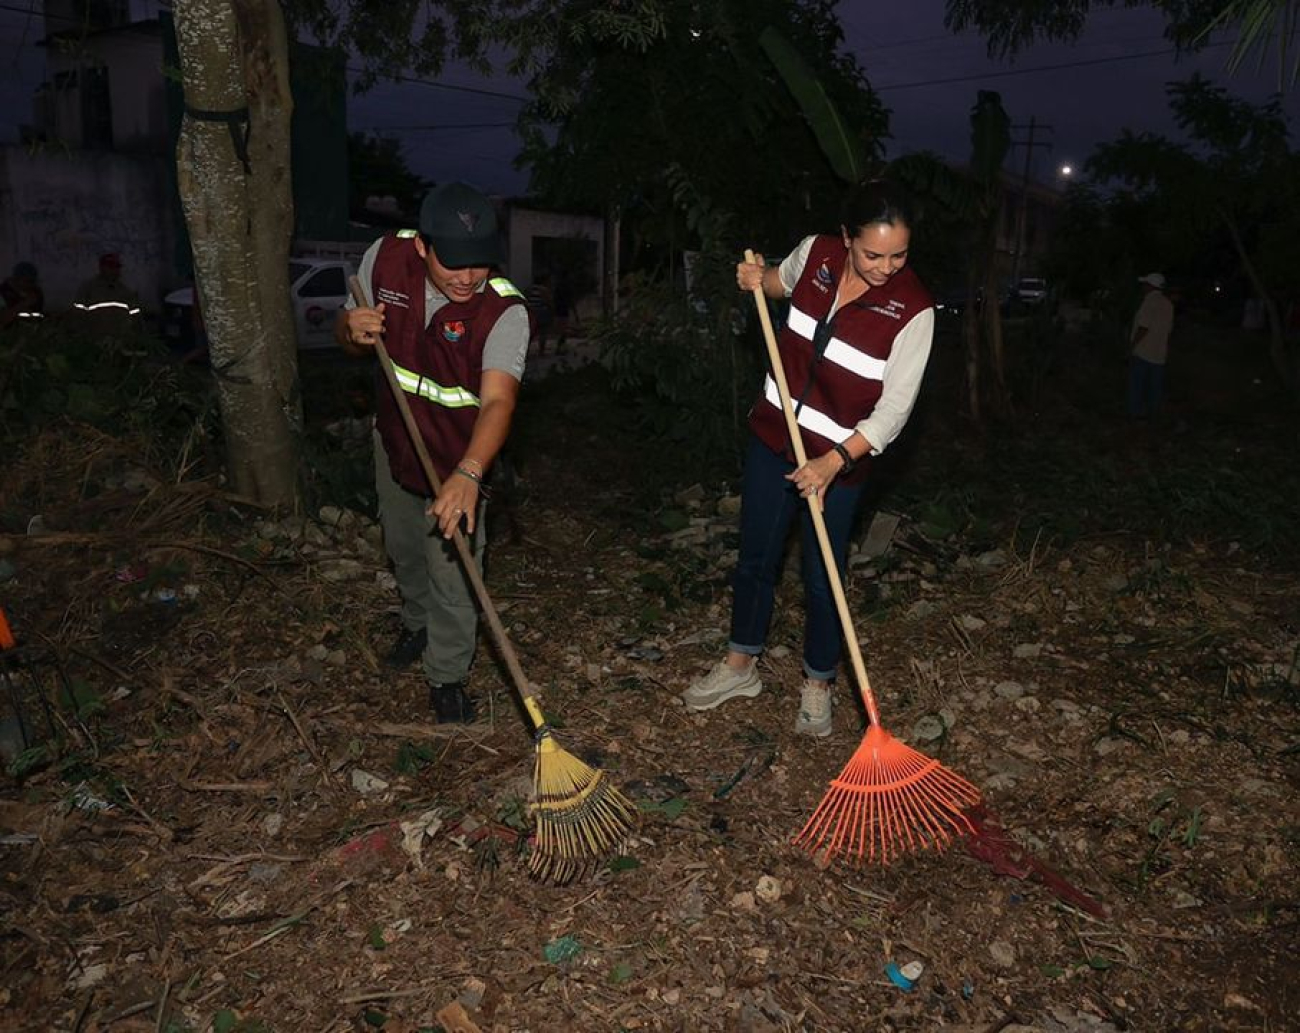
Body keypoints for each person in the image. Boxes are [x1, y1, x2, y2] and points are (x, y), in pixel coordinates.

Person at [682, 180, 935, 737]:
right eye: (873, 253)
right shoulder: (815, 255)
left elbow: (894, 412)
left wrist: (834, 462)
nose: (886, 267)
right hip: (774, 438)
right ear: (846, 238)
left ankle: (818, 684)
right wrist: (756, 280)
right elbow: (776, 283)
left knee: (824, 578)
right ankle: (740, 663)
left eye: (899, 255)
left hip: (838, 464)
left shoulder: (913, 309)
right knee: (756, 556)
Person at [336, 181, 529, 723]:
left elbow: (497, 403)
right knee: (403, 547)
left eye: (480, 264)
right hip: (394, 438)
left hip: (459, 456)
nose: (468, 278)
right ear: (423, 246)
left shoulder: (503, 312)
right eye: (454, 264)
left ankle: (446, 675)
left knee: (455, 570)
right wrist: (349, 330)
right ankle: (416, 626)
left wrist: (469, 472)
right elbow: (346, 337)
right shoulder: (385, 260)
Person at [1128, 272, 1174, 420]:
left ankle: (1135, 413)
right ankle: (1153, 414)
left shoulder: (1149, 302)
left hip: (1143, 351)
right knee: (1154, 387)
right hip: (1159, 353)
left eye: (1145, 284)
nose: (1143, 287)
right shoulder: (1168, 304)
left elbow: (1144, 327)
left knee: (1137, 385)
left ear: (1150, 286)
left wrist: (1132, 345)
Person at [74, 253, 142, 336]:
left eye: (116, 267)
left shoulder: (126, 292)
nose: (113, 270)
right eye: (110, 266)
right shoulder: (88, 289)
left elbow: (136, 318)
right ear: (101, 268)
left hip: (121, 341)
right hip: (95, 340)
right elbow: (78, 316)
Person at [0, 261, 45, 330]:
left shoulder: (35, 292)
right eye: (27, 281)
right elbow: (3, 320)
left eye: (32, 281)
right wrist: (24, 304)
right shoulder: (3, 292)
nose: (29, 285)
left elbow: (37, 315)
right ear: (16, 279)